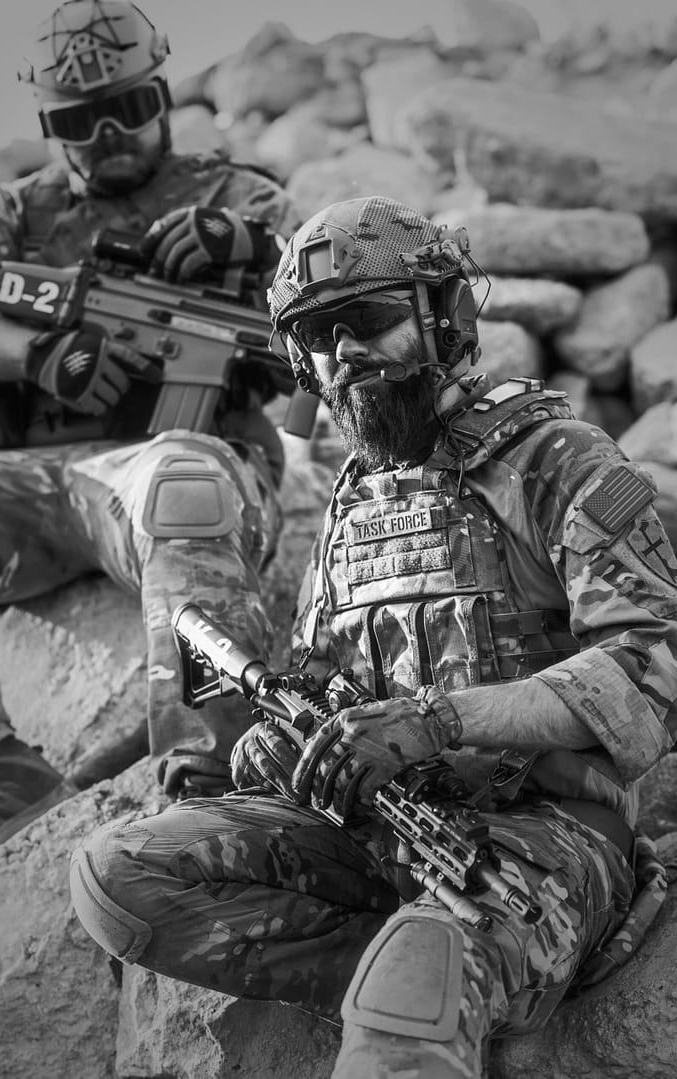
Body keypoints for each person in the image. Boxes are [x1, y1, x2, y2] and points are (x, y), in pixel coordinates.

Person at [68, 196, 677, 1078]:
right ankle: (418, 976)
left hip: (540, 841)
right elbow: (325, 682)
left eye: (370, 319)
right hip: (378, 835)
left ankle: (425, 982)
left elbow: (652, 669)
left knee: (415, 984)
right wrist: (285, 749)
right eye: (318, 336)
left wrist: (437, 721)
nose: (345, 353)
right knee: (116, 876)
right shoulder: (356, 500)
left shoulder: (556, 460)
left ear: (445, 316)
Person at [0, 0, 302, 876]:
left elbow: (330, 309)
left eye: (129, 108)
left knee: (183, 479)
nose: (108, 135)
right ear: (48, 127)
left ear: (161, 96)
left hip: (185, 474)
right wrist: (39, 355)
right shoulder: (10, 216)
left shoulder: (236, 197)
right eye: (80, 121)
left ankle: (211, 786)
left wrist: (258, 250)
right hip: (31, 486)